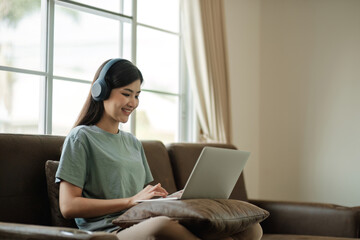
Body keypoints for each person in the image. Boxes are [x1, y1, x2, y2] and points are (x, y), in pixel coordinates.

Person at [55, 58, 262, 240]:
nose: (132, 103)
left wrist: (175, 198)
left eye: (137, 95)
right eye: (126, 94)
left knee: (251, 230)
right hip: (111, 231)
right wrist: (130, 201)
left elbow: (147, 199)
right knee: (162, 227)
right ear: (101, 91)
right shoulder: (81, 137)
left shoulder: (133, 142)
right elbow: (69, 206)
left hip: (141, 220)